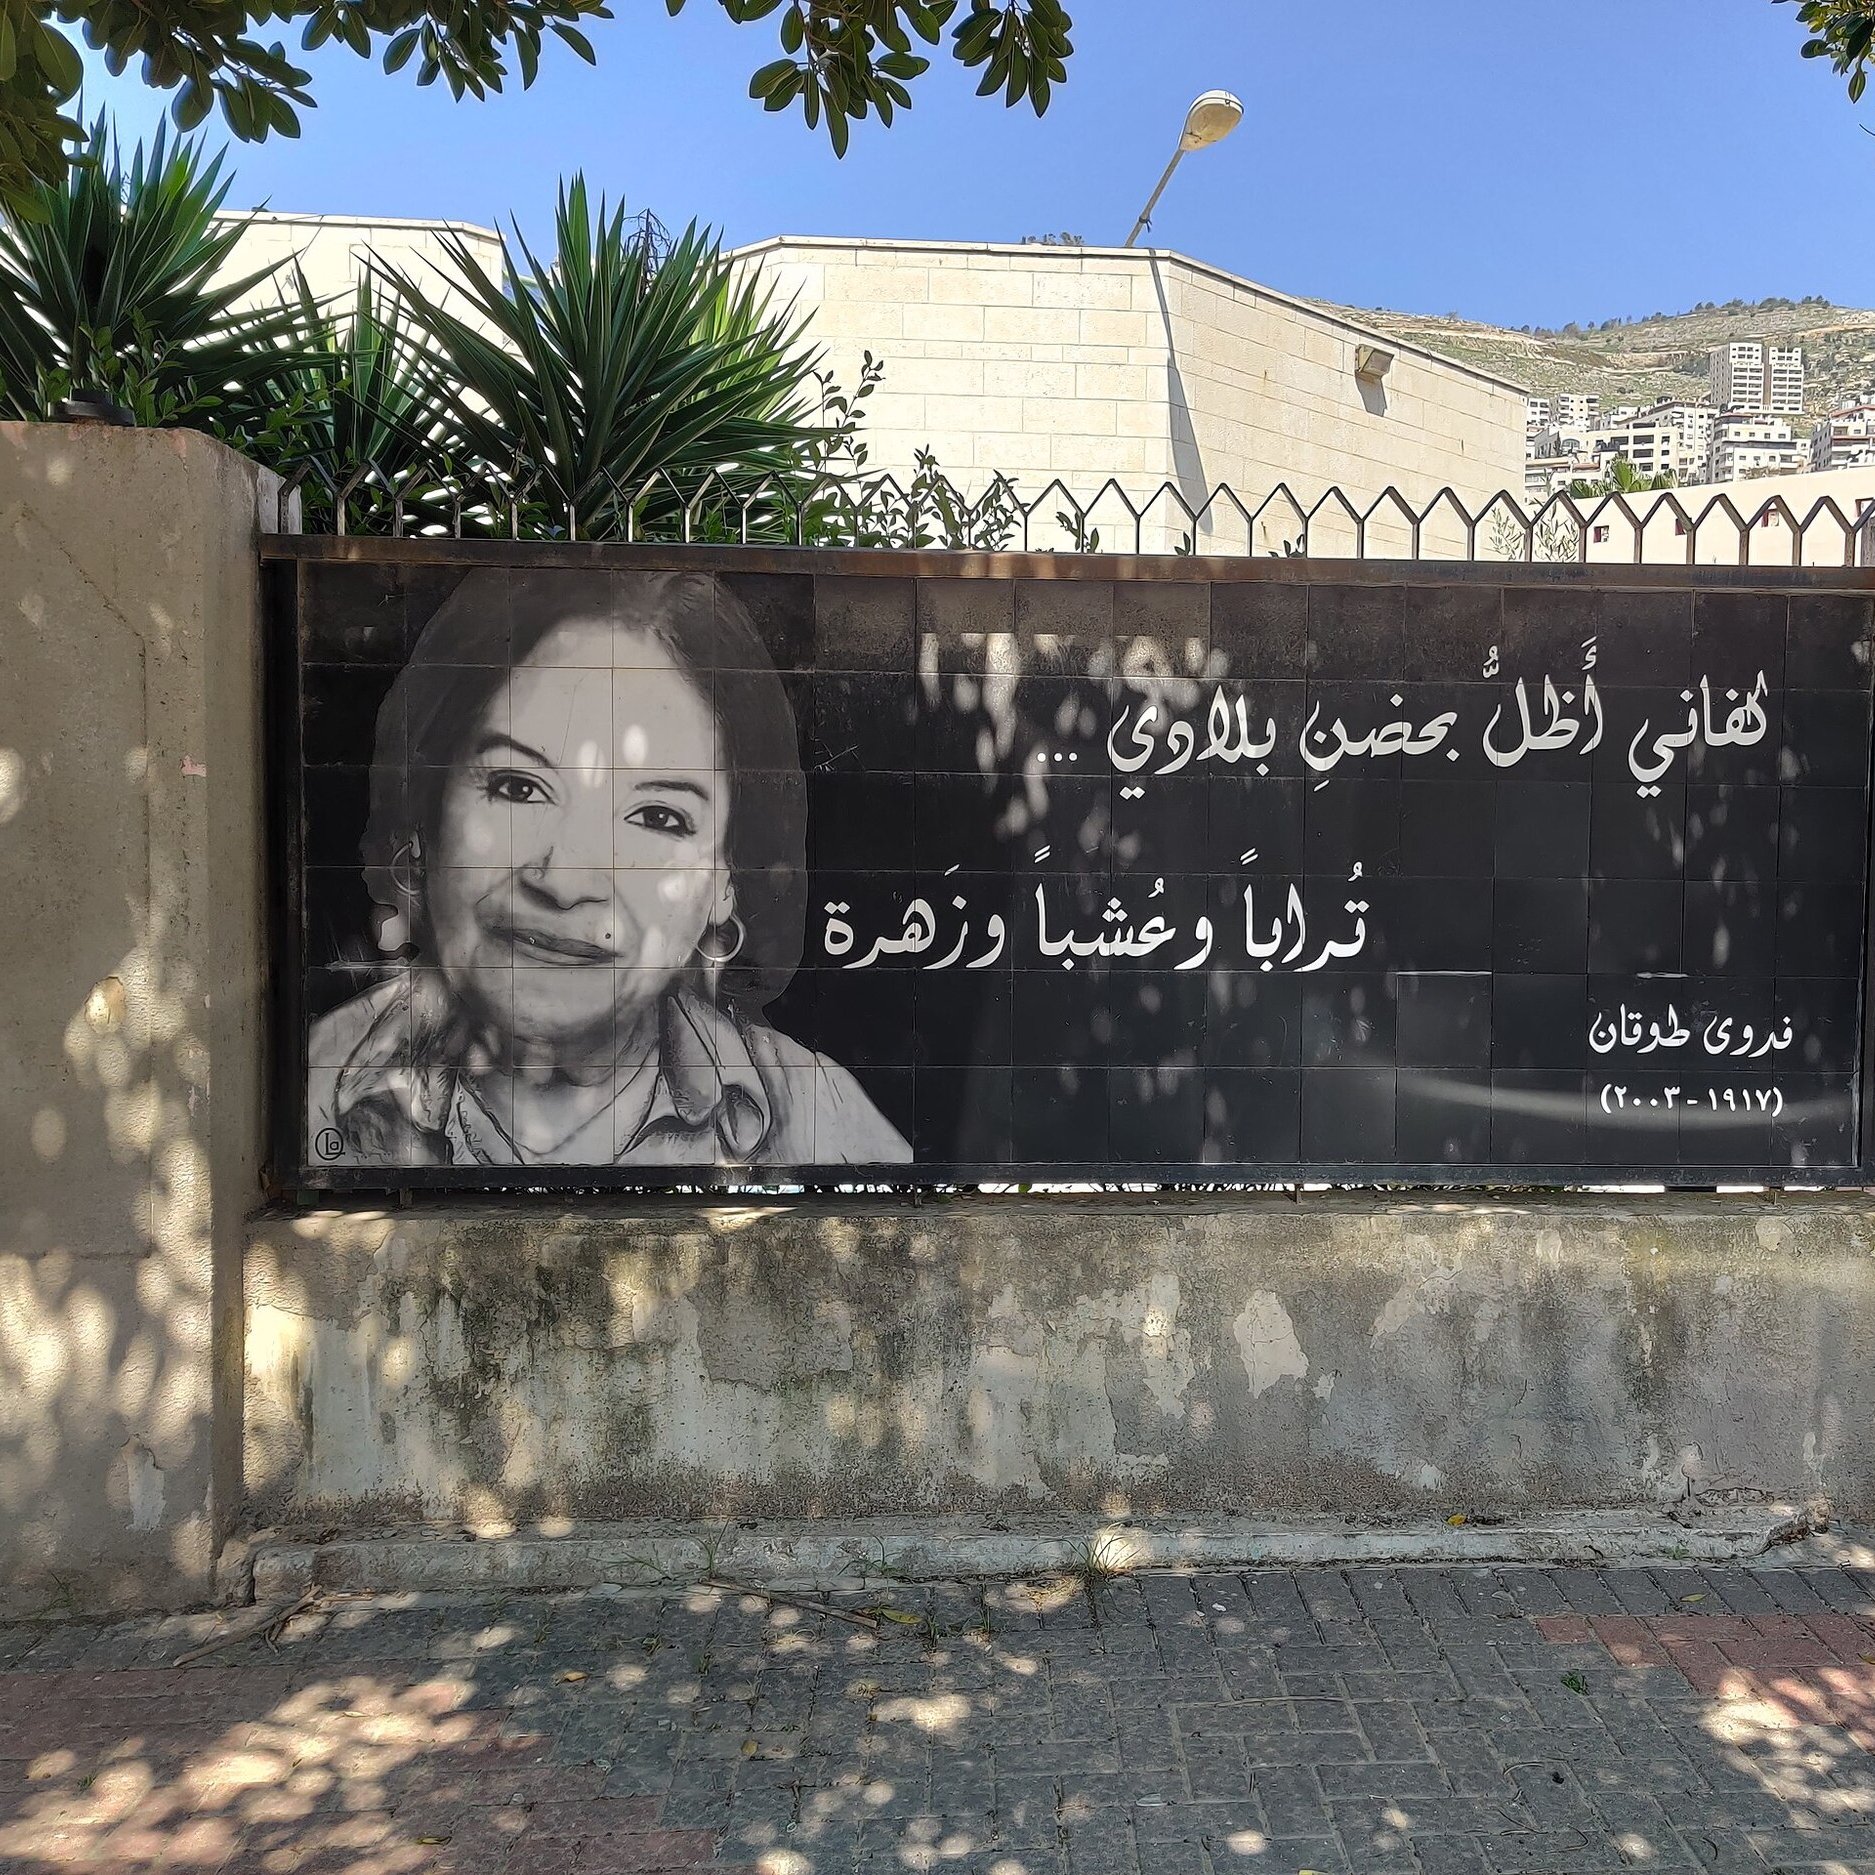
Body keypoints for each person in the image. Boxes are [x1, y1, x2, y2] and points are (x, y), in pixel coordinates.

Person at [306, 568, 911, 1170]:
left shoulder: (821, 1119)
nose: (563, 880)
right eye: (517, 786)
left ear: (724, 880)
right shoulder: (313, 1087)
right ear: (427, 821)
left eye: (657, 817)